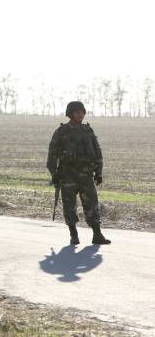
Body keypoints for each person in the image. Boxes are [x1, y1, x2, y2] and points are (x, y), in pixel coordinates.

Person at [47, 101, 111, 245]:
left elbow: (97, 151)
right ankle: (73, 234)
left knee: (92, 204)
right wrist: (54, 174)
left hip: (86, 175)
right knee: (69, 206)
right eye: (77, 112)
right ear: (70, 114)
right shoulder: (61, 132)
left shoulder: (88, 131)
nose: (80, 114)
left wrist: (99, 172)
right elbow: (52, 154)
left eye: (82, 111)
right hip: (68, 175)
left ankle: (97, 234)